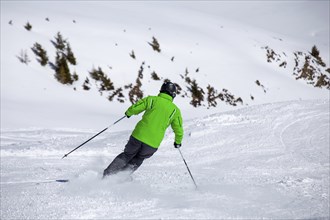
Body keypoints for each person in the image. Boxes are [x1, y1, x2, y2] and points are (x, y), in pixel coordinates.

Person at [103, 81, 184, 177]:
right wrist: (177, 142)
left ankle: (108, 174)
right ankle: (121, 177)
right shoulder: (175, 110)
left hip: (138, 135)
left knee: (127, 155)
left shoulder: (152, 100)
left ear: (162, 90)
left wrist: (129, 112)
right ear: (173, 94)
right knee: (139, 158)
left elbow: (136, 107)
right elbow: (179, 129)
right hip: (152, 143)